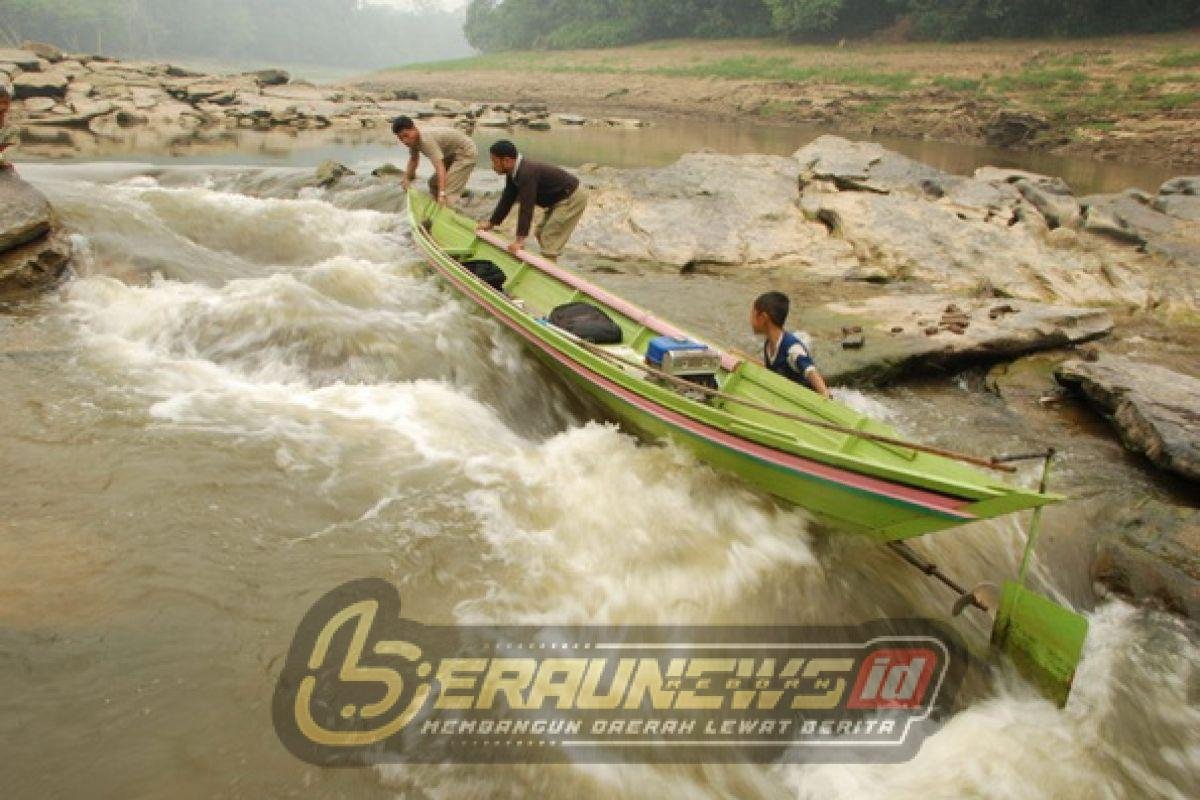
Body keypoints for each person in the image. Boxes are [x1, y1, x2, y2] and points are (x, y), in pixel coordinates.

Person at [476, 140, 588, 262]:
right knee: (540, 232)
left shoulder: (526, 172)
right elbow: (507, 199)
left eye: (495, 162)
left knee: (549, 236)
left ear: (507, 161)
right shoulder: (513, 172)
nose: (493, 166)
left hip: (571, 198)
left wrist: (519, 240)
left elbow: (526, 206)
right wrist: (492, 223)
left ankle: (548, 270)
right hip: (557, 199)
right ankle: (549, 260)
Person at [751, 291, 831, 398]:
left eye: (753, 315)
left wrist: (825, 394)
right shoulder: (769, 345)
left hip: (805, 399)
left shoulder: (792, 348)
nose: (750, 320)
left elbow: (811, 371)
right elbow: (771, 371)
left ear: (763, 318)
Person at [392, 115, 476, 205]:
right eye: (401, 138)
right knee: (433, 184)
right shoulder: (413, 142)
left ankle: (450, 202)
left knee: (447, 194)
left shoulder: (426, 141)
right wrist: (406, 179)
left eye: (406, 135)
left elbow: (440, 168)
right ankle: (459, 194)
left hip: (465, 151)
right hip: (451, 154)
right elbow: (413, 160)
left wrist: (442, 194)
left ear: (414, 128)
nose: (405, 141)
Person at [0, 85, 17, 171]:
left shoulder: (10, 129)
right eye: (1, 103)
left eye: (6, 103)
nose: (3, 107)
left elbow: (5, 150)